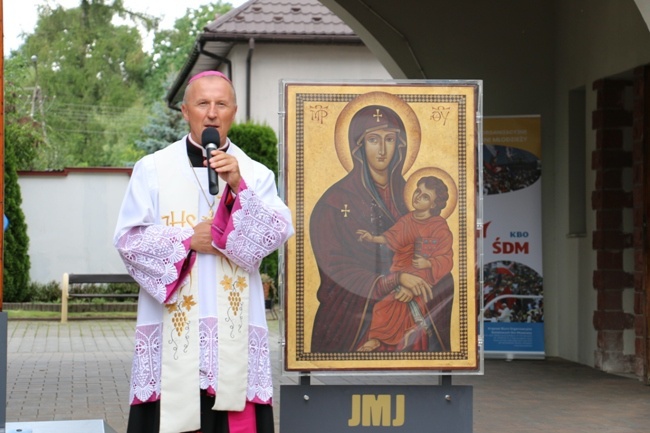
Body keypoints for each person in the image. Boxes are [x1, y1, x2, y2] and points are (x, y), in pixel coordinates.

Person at [113, 70, 294, 433]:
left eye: (221, 104)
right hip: (172, 331)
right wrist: (186, 241)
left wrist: (238, 186)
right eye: (202, 103)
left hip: (235, 331)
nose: (212, 113)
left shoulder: (255, 174)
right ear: (185, 111)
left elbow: (275, 236)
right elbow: (128, 241)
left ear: (233, 111)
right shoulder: (152, 169)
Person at [309, 100, 446, 353]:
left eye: (390, 140)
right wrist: (393, 280)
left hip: (412, 297)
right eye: (373, 140)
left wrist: (416, 277)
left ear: (400, 145)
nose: (382, 150)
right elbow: (336, 271)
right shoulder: (333, 204)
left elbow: (435, 249)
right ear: (358, 147)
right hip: (355, 313)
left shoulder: (412, 198)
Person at [356, 175, 454, 352]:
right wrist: (372, 237)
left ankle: (390, 336)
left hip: (425, 277)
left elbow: (446, 256)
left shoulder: (439, 226)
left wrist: (428, 263)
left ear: (433, 204)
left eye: (425, 196)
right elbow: (391, 237)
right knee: (383, 306)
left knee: (397, 303)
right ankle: (381, 337)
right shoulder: (407, 220)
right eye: (418, 191)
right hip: (402, 273)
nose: (418, 196)